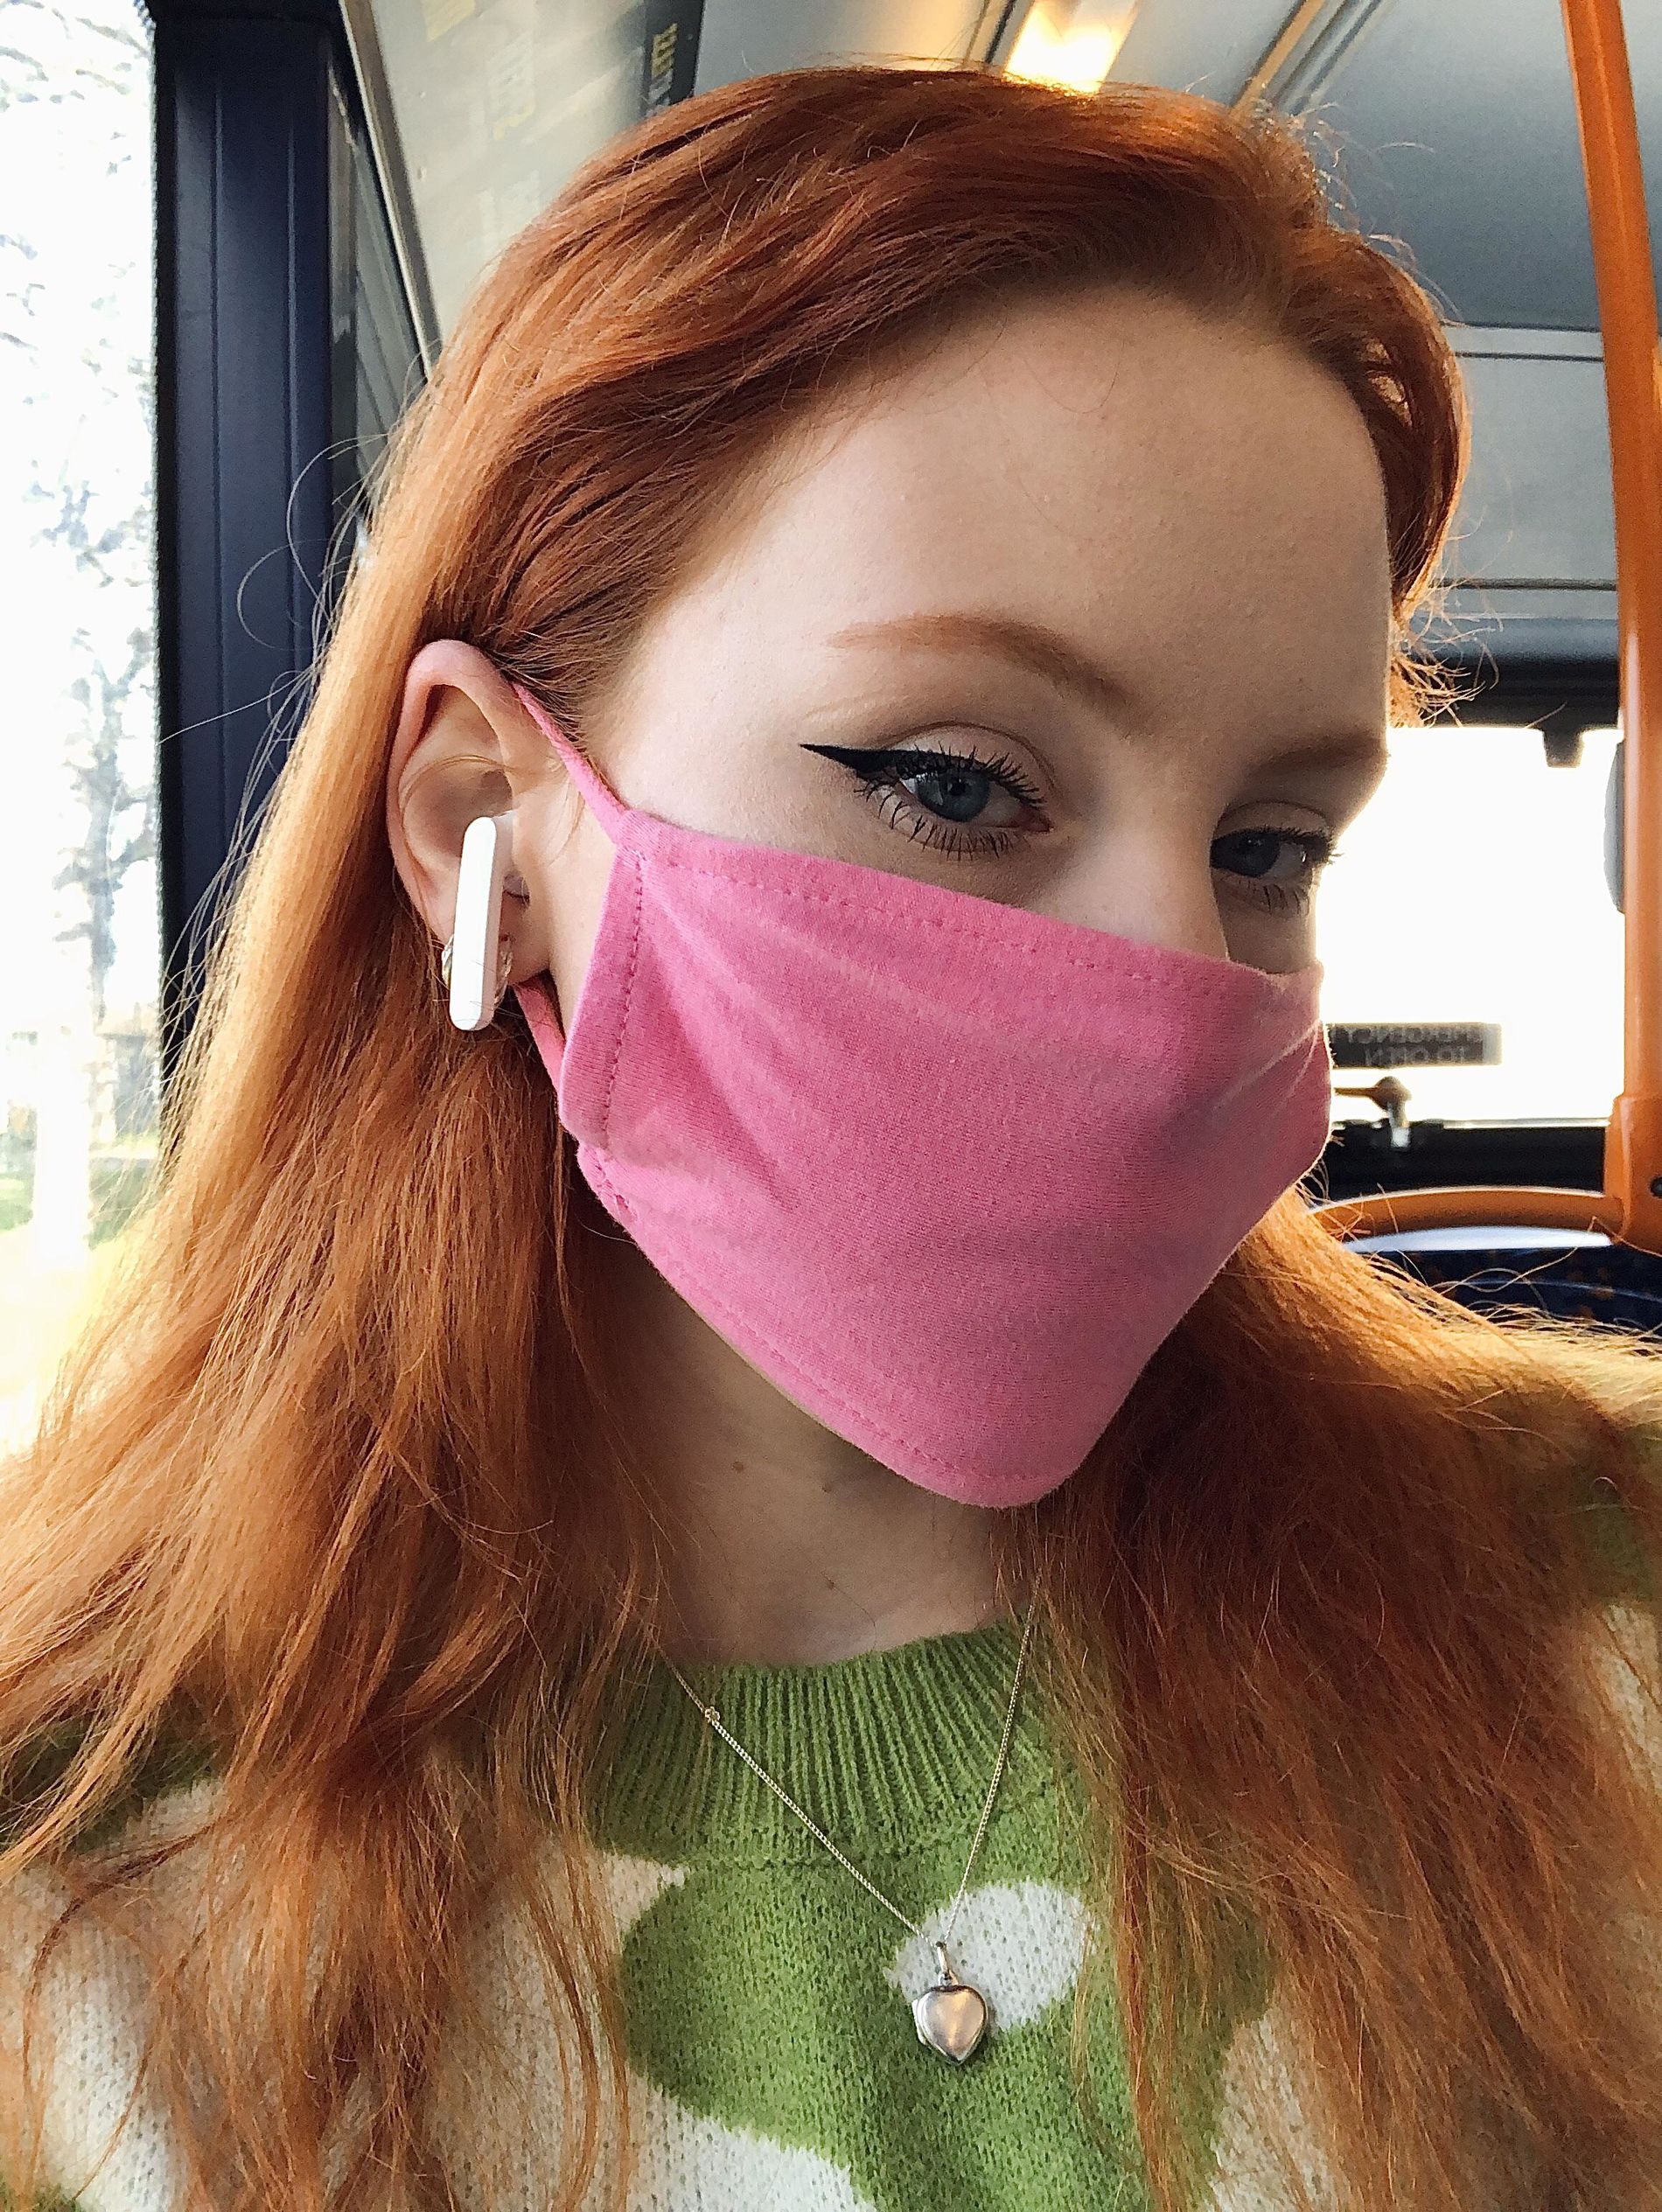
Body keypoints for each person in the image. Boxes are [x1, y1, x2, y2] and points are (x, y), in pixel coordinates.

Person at [2, 60, 1659, 2212]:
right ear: (482, 815)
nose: (1174, 993)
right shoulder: (79, 1869)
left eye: (1266, 842)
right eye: (951, 781)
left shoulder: (1594, 1603)